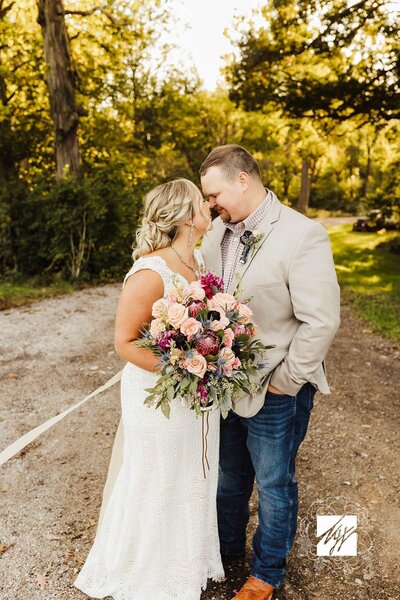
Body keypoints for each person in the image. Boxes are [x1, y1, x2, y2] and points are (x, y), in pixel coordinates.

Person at [200, 145, 341, 599]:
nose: (210, 205)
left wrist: (288, 380)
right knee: (229, 477)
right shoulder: (214, 233)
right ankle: (224, 554)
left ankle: (266, 573)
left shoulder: (303, 234)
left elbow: (320, 319)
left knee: (275, 483)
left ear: (244, 180)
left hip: (277, 388)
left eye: (215, 193)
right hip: (226, 385)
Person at [73, 178, 225, 599]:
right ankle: (145, 570)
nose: (209, 205)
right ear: (184, 216)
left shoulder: (199, 265)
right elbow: (124, 342)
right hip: (160, 394)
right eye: (201, 201)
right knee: (157, 475)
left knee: (193, 470)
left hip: (197, 393)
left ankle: (185, 561)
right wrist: (187, 366)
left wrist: (216, 356)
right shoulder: (150, 270)